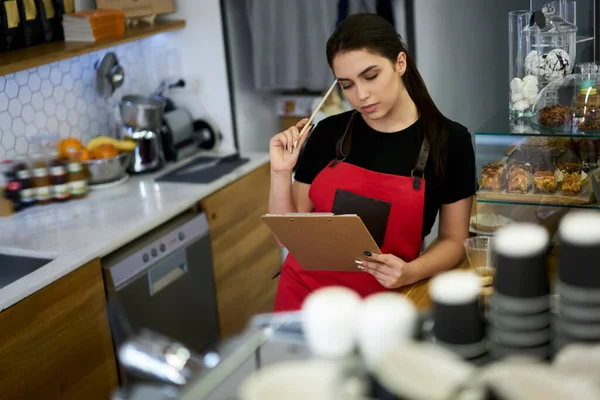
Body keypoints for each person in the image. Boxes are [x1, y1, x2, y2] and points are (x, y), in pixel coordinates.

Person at [268, 13, 476, 312]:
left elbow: (454, 240)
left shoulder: (450, 141)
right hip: (304, 300)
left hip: (383, 309)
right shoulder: (328, 132)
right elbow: (284, 236)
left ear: (399, 63)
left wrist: (411, 272)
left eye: (370, 76)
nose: (361, 95)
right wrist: (280, 171)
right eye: (347, 85)